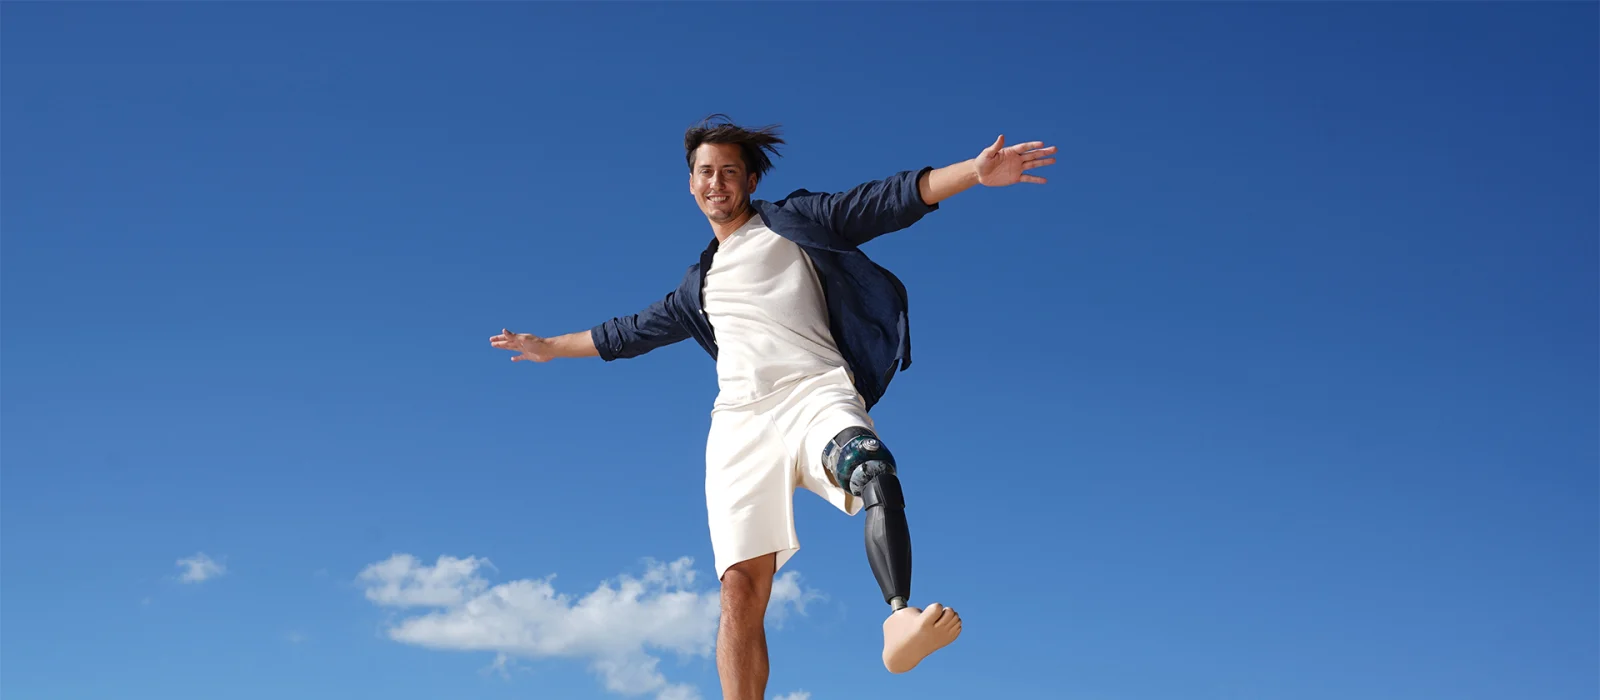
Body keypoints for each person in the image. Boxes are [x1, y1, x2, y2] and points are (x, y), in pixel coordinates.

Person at [490, 115, 1055, 699]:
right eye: (705, 172)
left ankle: (898, 617)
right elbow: (628, 332)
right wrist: (550, 348)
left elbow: (882, 201)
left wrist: (973, 172)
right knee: (740, 588)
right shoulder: (695, 289)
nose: (716, 183)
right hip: (738, 425)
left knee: (872, 471)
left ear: (752, 180)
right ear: (690, 184)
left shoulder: (796, 221)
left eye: (729, 172)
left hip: (816, 393)